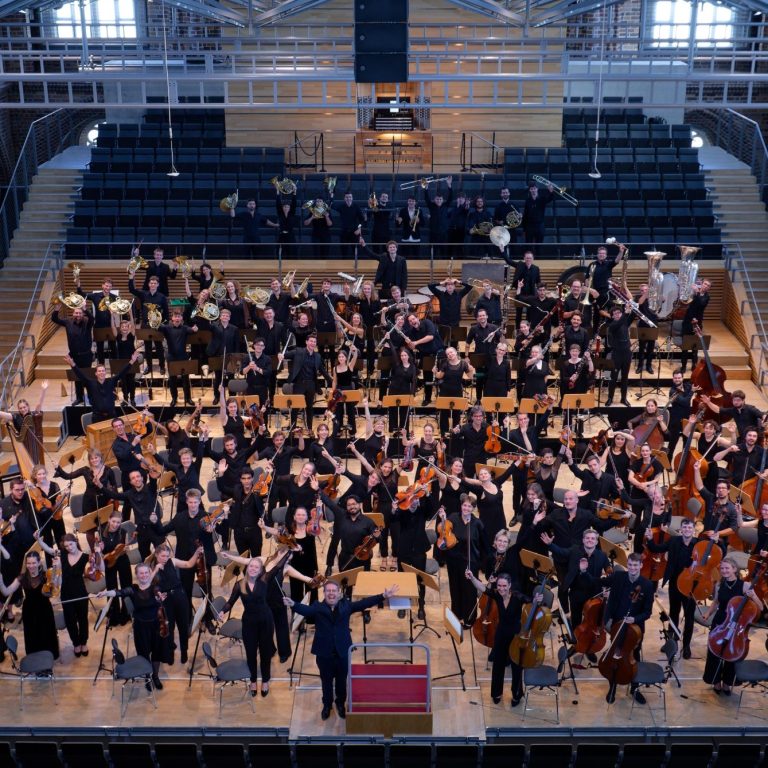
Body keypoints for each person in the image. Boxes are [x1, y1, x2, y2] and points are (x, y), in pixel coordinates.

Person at [284, 579, 398, 719]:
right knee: (326, 681)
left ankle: (340, 703)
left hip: (342, 652)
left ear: (339, 593)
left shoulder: (346, 606)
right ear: (324, 593)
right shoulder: (318, 607)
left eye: (334, 591)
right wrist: (293, 604)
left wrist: (383, 596)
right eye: (328, 591)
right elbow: (306, 610)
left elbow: (363, 603)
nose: (331, 593)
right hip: (324, 654)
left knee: (341, 681)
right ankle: (327, 705)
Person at [466, 569, 540, 706]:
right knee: (498, 665)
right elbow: (482, 587)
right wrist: (472, 578)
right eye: (499, 585)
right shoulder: (497, 595)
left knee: (517, 666)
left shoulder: (517, 596)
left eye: (504, 586)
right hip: (500, 633)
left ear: (510, 585)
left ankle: (517, 695)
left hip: (516, 635)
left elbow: (531, 602)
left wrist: (536, 600)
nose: (501, 589)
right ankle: (496, 693)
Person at [99, 562, 173, 691]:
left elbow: (158, 593)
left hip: (156, 626)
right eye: (141, 573)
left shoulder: (156, 588)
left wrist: (160, 597)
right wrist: (106, 593)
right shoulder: (133, 589)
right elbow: (119, 592)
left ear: (150, 573)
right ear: (137, 575)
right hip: (140, 627)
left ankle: (155, 676)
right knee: (144, 654)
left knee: (156, 652)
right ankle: (147, 677)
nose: (144, 575)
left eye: (146, 572)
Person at [702, 557, 762, 695]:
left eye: (727, 568)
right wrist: (708, 613)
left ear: (734, 569)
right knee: (714, 651)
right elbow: (716, 602)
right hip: (720, 621)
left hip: (737, 624)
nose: (724, 571)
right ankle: (716, 681)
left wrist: (753, 596)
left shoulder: (745, 585)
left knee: (733, 652)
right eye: (722, 568)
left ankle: (727, 683)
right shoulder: (719, 584)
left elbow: (760, 607)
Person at [602, 552, 654, 705]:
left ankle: (634, 688)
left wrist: (635, 619)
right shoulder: (619, 577)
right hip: (617, 625)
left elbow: (648, 612)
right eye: (630, 565)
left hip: (634, 629)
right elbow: (610, 600)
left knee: (633, 658)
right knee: (615, 656)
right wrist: (607, 621)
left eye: (635, 565)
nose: (632, 568)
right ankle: (613, 686)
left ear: (641, 566)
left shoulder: (647, 585)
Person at [644, 517, 697, 658]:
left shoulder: (698, 544)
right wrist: (650, 539)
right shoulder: (674, 541)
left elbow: (714, 554)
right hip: (674, 583)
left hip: (690, 586)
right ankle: (671, 643)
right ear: (681, 529)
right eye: (684, 527)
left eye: (690, 527)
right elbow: (655, 548)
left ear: (694, 530)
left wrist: (716, 542)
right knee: (673, 613)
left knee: (689, 617)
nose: (687, 530)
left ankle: (686, 646)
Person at [0, 549, 59, 660]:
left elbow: (54, 590)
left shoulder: (46, 575)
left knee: (46, 634)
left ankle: (48, 658)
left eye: (33, 563)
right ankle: (35, 660)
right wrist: (1, 581)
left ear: (39, 562)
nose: (31, 566)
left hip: (45, 609)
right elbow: (6, 592)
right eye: (28, 563)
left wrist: (57, 569)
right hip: (29, 611)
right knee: (32, 635)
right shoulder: (22, 577)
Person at [438, 496, 488, 626]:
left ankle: (469, 619)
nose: (466, 508)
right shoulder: (453, 517)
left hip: (470, 562)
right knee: (455, 588)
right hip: (453, 560)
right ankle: (457, 615)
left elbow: (484, 545)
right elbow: (444, 532)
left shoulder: (477, 523)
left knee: (469, 591)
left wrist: (481, 563)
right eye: (464, 505)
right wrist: (443, 519)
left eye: (469, 506)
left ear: (474, 508)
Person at [64, 353, 139, 422]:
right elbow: (80, 375)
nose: (101, 373)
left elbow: (122, 372)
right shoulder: (90, 383)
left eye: (103, 371)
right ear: (96, 373)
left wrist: (132, 361)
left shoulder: (111, 381)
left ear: (105, 372)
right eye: (99, 371)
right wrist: (72, 364)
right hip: (97, 417)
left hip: (111, 415)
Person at [279, 334, 332, 429]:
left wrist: (332, 381)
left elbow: (323, 371)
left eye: (314, 342)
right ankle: (292, 428)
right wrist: (281, 355)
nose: (313, 343)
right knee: (295, 407)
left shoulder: (317, 356)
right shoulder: (298, 351)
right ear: (306, 342)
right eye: (311, 341)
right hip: (299, 383)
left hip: (311, 384)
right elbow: (286, 355)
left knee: (309, 408)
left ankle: (309, 429)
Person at [52, 303, 93, 406]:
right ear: (73, 313)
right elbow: (55, 319)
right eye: (76, 313)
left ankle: (91, 397)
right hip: (74, 355)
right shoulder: (68, 322)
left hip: (86, 355)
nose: (78, 315)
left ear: (83, 314)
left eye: (80, 313)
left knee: (87, 376)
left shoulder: (87, 321)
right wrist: (56, 310)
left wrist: (85, 309)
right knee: (77, 377)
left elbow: (92, 319)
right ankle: (79, 398)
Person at [128, 272, 168, 376]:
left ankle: (162, 366)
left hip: (157, 326)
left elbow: (166, 313)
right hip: (145, 325)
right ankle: (149, 367)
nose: (153, 285)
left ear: (158, 285)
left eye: (155, 283)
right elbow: (132, 290)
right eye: (151, 283)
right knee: (148, 348)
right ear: (149, 284)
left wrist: (164, 325)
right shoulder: (144, 294)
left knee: (159, 347)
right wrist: (131, 277)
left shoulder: (162, 297)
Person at [0, 384, 48, 465]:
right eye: (20, 408)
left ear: (28, 407)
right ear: (18, 409)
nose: (23, 409)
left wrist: (43, 390)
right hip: (23, 444)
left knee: (35, 463)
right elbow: (2, 414)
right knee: (26, 463)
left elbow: (39, 405)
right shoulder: (16, 417)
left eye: (24, 407)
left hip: (33, 444)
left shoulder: (32, 415)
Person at [75, 276, 118, 363]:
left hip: (111, 326)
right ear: (102, 285)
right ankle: (101, 366)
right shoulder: (96, 296)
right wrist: (78, 285)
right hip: (98, 326)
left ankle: (115, 367)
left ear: (111, 287)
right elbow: (82, 295)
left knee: (113, 347)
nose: (108, 288)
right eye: (106, 286)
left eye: (110, 286)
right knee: (100, 348)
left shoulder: (115, 298)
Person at [699, 389, 766, 441]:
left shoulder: (750, 408)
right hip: (743, 438)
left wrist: (764, 420)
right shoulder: (733, 410)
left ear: (743, 400)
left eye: (738, 400)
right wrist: (708, 402)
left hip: (754, 438)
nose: (736, 402)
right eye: (734, 400)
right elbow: (718, 410)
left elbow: (762, 415)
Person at [206, 308, 240, 403]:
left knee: (231, 378)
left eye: (227, 316)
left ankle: (232, 397)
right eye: (223, 315)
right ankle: (217, 396)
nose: (225, 317)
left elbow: (236, 344)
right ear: (220, 317)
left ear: (229, 318)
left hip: (230, 357)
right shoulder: (214, 326)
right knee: (218, 378)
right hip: (217, 356)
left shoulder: (234, 329)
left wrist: (236, 358)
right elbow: (206, 326)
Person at [605, 303, 633, 407]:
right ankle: (610, 398)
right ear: (612, 316)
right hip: (617, 354)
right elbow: (620, 321)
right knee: (613, 377)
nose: (617, 315)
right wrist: (625, 313)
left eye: (619, 313)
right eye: (615, 313)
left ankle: (623, 398)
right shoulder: (612, 325)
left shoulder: (625, 322)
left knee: (625, 377)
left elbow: (632, 316)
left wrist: (633, 307)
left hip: (627, 353)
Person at [680, 279, 712, 372]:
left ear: (709, 288)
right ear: (702, 284)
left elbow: (700, 304)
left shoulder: (706, 297)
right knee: (685, 347)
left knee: (695, 347)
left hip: (697, 323)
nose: (706, 286)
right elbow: (685, 301)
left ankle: (694, 365)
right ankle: (683, 366)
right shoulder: (693, 293)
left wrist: (697, 292)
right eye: (705, 284)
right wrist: (690, 289)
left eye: (708, 285)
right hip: (687, 322)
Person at [666, 369, 694, 460]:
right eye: (675, 378)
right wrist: (692, 392)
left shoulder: (687, 386)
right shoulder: (672, 391)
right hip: (676, 420)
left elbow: (697, 384)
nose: (677, 379)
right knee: (672, 444)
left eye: (679, 378)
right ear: (673, 379)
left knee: (686, 443)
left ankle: (683, 463)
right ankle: (668, 462)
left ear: (682, 378)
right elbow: (685, 402)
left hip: (687, 418)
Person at [634, 283, 659, 375]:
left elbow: (663, 299)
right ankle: (640, 366)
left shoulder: (654, 298)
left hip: (653, 325)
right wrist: (646, 293)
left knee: (650, 348)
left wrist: (656, 294)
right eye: (642, 290)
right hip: (643, 325)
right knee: (641, 348)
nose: (644, 291)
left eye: (646, 289)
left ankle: (649, 365)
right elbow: (640, 302)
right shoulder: (638, 297)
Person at [333, 191, 366, 258]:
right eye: (347, 197)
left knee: (355, 251)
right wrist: (331, 196)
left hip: (354, 232)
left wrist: (359, 229)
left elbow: (362, 220)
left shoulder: (356, 207)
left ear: (352, 198)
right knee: (344, 251)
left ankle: (355, 264)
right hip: (344, 232)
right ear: (344, 198)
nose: (348, 198)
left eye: (350, 197)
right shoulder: (341, 207)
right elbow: (332, 205)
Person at [511, 251, 541, 326]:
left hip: (531, 295)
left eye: (530, 258)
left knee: (530, 313)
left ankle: (528, 329)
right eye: (527, 258)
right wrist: (502, 251)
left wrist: (542, 291)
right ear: (524, 258)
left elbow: (538, 282)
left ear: (533, 259)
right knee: (518, 313)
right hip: (520, 294)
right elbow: (509, 261)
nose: (528, 259)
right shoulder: (520, 265)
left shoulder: (536, 268)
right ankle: (518, 328)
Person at [424, 177, 453, 253]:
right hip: (433, 233)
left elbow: (450, 197)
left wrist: (449, 185)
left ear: (442, 200)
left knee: (444, 252)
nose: (439, 200)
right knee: (433, 252)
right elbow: (426, 198)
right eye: (437, 199)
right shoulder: (431, 206)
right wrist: (426, 188)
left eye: (440, 199)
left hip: (444, 233)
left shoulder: (445, 206)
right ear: (434, 200)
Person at [521, 180, 554, 248]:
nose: (533, 190)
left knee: (539, 247)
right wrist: (524, 229)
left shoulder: (542, 199)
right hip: (529, 226)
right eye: (531, 189)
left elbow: (550, 199)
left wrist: (551, 191)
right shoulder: (528, 201)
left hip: (539, 226)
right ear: (530, 190)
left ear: (537, 189)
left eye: (534, 188)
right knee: (528, 246)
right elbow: (525, 215)